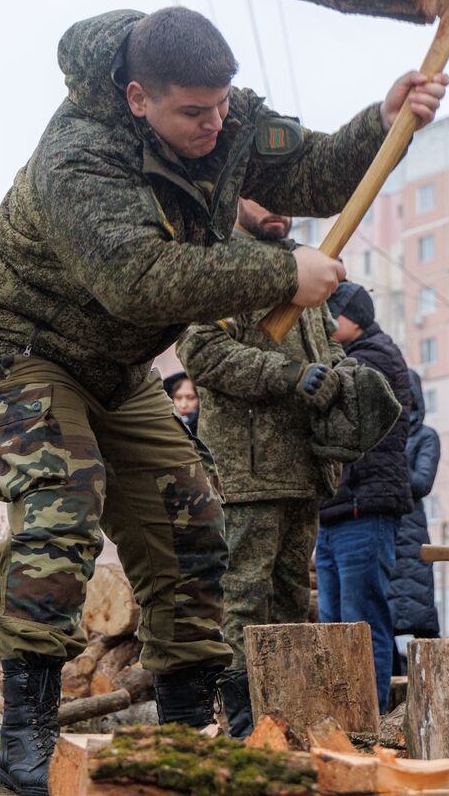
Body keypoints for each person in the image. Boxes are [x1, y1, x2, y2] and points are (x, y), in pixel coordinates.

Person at [0, 6, 446, 795]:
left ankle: (179, 739)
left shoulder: (225, 117)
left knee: (191, 522)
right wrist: (285, 276)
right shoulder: (81, 156)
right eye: (193, 112)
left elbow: (309, 167)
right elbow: (140, 280)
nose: (215, 123)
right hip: (16, 348)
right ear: (140, 97)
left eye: (222, 104)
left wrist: (377, 125)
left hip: (115, 366)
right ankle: (27, 737)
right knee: (60, 506)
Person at [175, 197, 347, 739]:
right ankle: (244, 722)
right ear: (236, 200)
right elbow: (201, 350)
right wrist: (290, 376)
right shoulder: (221, 263)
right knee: (244, 597)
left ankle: (288, 719)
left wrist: (345, 380)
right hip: (247, 470)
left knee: (293, 595)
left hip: (302, 465)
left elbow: (326, 352)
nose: (276, 208)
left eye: (284, 198)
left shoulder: (306, 268)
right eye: (261, 196)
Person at [316, 282, 412, 712]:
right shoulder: (359, 355)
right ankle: (343, 714)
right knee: (333, 620)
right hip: (338, 510)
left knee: (361, 619)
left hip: (363, 508)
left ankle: (366, 714)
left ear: (351, 319)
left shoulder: (371, 361)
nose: (321, 324)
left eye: (328, 316)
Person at [389, 369, 441, 673]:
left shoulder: (425, 437)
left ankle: (434, 683)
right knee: (383, 620)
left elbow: (422, 482)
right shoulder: (380, 434)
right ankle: (392, 693)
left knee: (421, 615)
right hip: (383, 530)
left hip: (411, 534)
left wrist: (389, 464)